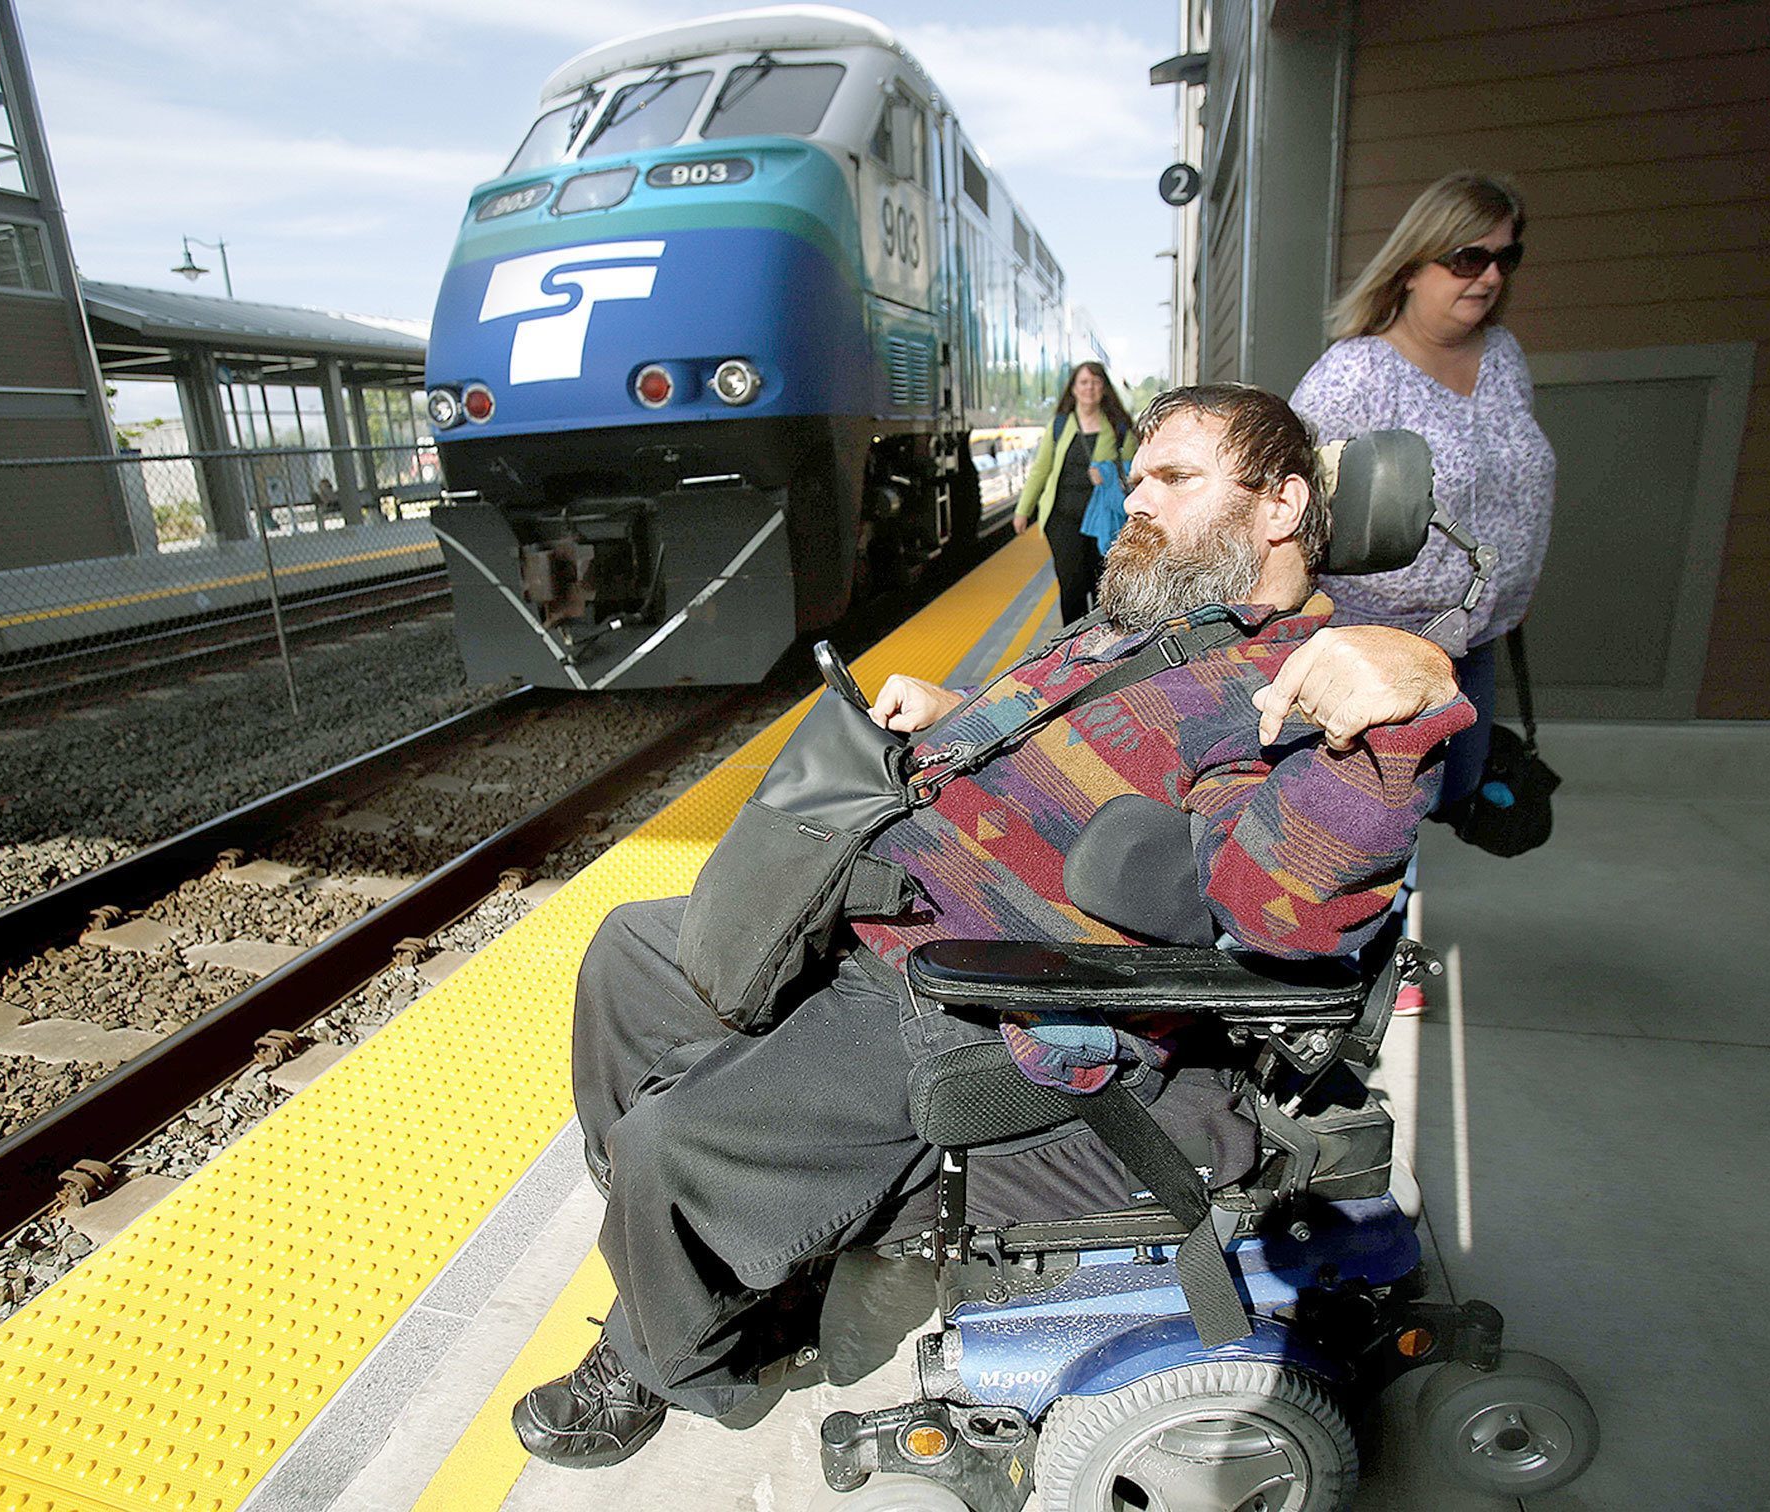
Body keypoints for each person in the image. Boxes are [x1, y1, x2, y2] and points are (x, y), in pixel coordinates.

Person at [512, 385, 1473, 1470]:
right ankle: (713, 1260)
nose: (1135, 498)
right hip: (886, 904)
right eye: (1139, 472)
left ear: (1280, 506)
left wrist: (1393, 707)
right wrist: (959, 710)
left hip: (976, 988)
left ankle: (671, 1360)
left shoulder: (1292, 693)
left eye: (1174, 479)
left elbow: (1280, 906)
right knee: (628, 956)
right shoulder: (1162, 619)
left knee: (671, 1143)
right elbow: (1081, 732)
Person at [1291, 171, 1555, 814]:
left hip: (1475, 638)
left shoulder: (1503, 355)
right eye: (1468, 258)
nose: (1489, 277)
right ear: (1411, 267)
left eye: (1504, 257)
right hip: (1377, 651)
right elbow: (1289, 497)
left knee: (1454, 790)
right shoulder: (1356, 373)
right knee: (1372, 823)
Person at [1013, 360, 1139, 623]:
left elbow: (1136, 471)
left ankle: (1102, 644)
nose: (1089, 388)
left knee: (1101, 586)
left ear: (1104, 388)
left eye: (1095, 382)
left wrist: (1107, 473)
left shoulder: (1119, 427)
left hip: (1103, 523)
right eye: (1083, 382)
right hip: (1062, 521)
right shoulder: (1060, 426)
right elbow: (1040, 469)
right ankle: (1072, 647)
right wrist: (1023, 510)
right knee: (1071, 587)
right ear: (1073, 389)